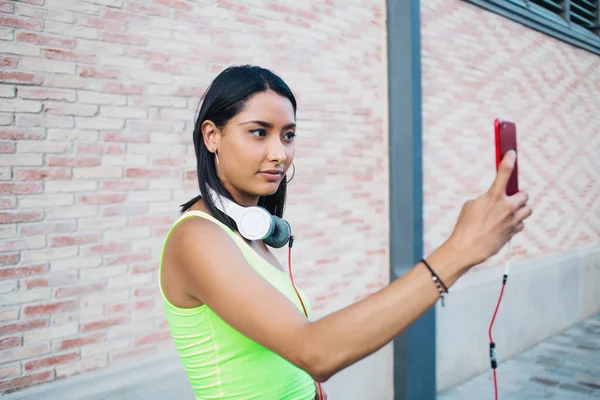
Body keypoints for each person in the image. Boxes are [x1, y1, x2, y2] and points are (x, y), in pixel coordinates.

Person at [158, 65, 532, 400]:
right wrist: (461, 249)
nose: (279, 153)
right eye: (259, 133)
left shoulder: (248, 229)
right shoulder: (197, 238)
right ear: (212, 136)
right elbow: (314, 352)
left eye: (288, 136)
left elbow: (287, 354)